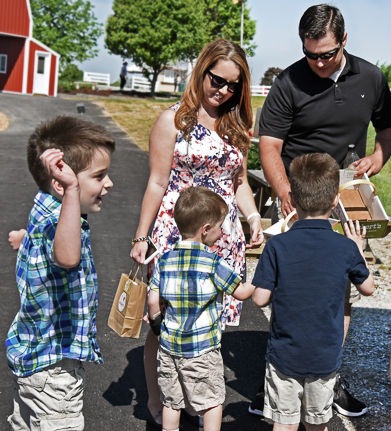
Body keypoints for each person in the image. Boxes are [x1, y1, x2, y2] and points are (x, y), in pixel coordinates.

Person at [253, 3, 391, 417]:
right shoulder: (288, 81)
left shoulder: (370, 77)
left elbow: (389, 126)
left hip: (346, 190)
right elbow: (270, 146)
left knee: (339, 288)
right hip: (299, 189)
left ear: (345, 41)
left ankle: (328, 381)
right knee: (290, 284)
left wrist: (377, 157)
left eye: (327, 54)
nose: (317, 62)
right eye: (310, 53)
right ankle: (279, 381)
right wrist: (285, 191)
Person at [130, 38, 264, 427]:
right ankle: (159, 397)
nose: (223, 91)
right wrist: (142, 236)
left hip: (222, 237)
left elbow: (238, 182)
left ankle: (194, 397)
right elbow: (156, 182)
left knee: (208, 322)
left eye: (232, 86)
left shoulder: (238, 124)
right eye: (216, 80)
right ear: (201, 70)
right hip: (177, 233)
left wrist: (253, 217)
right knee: (164, 323)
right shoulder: (173, 119)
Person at [5, 116, 115, 430]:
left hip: (33, 355)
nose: (108, 183)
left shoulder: (46, 207)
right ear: (61, 183)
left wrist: (25, 238)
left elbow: (46, 234)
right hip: (53, 366)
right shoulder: (65, 214)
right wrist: (72, 190)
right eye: (99, 176)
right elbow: (67, 257)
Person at [250, 153, 375, 431]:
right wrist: (358, 248)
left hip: (284, 355)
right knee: (318, 424)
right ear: (335, 201)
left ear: (292, 200)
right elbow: (368, 288)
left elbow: (259, 299)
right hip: (324, 357)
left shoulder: (277, 246)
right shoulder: (345, 248)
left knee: (284, 424)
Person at [147, 187, 256, 431]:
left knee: (172, 402)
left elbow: (153, 300)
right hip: (203, 350)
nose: (223, 231)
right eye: (220, 225)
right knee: (211, 402)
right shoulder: (213, 263)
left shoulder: (164, 260)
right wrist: (262, 278)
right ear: (205, 229)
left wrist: (157, 327)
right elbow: (241, 292)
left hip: (169, 348)